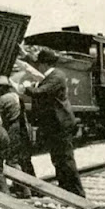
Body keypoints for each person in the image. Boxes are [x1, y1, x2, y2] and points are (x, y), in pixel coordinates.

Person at [24, 48, 85, 197]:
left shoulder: (57, 76)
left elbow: (41, 92)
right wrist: (26, 55)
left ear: (45, 64)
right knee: (58, 159)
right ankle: (65, 189)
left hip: (61, 123)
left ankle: (77, 194)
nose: (38, 66)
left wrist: (25, 87)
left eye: (39, 64)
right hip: (54, 124)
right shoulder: (51, 75)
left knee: (65, 159)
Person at [0, 75, 36, 198]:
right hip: (22, 130)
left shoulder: (3, 99)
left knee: (12, 160)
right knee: (24, 160)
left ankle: (25, 190)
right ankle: (33, 187)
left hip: (12, 130)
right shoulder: (16, 96)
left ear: (2, 88)